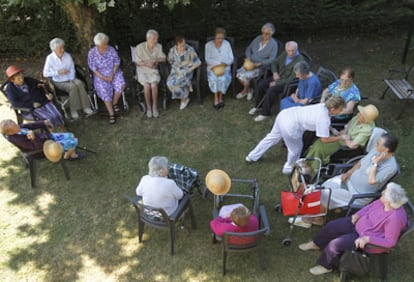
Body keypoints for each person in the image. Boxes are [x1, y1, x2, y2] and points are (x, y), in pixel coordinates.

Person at [298, 182, 408, 276]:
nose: (382, 193)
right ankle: (316, 243)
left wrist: (367, 239)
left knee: (335, 244)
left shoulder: (395, 218)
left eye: (384, 193)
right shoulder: (381, 202)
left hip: (364, 238)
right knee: (332, 226)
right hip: (357, 224)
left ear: (388, 201)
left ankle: (326, 266)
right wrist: (358, 214)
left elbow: (390, 242)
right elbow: (369, 207)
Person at [245, 96, 346, 174]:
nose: (341, 112)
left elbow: (324, 125)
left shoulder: (322, 106)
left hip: (284, 115)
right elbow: (324, 139)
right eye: (340, 109)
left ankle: (252, 156)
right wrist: (340, 137)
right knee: (296, 149)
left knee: (271, 138)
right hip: (291, 126)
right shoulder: (324, 118)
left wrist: (333, 130)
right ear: (333, 109)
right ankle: (289, 168)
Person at [322, 132, 399, 209]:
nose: (376, 145)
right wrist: (349, 172)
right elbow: (361, 162)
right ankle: (319, 209)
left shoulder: (390, 167)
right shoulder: (376, 150)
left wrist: (375, 163)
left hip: (356, 194)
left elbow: (371, 181)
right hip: (348, 180)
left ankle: (318, 218)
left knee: (325, 195)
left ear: (386, 149)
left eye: (378, 144)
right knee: (323, 187)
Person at [306, 104, 379, 165]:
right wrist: (344, 131)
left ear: (366, 119)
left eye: (361, 114)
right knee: (318, 143)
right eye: (360, 112)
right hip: (341, 138)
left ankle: (311, 169)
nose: (358, 114)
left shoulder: (366, 131)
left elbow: (353, 145)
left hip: (345, 147)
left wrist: (344, 138)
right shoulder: (358, 118)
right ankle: (307, 162)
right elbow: (349, 124)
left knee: (319, 148)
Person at [249, 41, 305, 119]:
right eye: (289, 51)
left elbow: (292, 78)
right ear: (286, 50)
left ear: (296, 50)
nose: (291, 53)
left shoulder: (300, 61)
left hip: (287, 83)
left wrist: (277, 82)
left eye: (293, 51)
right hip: (278, 76)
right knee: (261, 84)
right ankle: (258, 106)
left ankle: (265, 113)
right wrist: (275, 72)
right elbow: (274, 62)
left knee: (271, 90)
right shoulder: (284, 54)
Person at [43, 38, 93, 120]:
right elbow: (45, 73)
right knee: (72, 87)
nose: (62, 50)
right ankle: (74, 110)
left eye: (63, 47)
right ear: (54, 49)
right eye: (60, 48)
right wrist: (58, 72)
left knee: (80, 84)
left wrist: (71, 79)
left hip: (71, 78)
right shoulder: (50, 59)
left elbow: (72, 69)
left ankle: (86, 107)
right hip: (59, 81)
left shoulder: (67, 55)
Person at [5, 65, 65, 131]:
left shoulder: (28, 80)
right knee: (49, 118)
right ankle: (52, 135)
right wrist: (32, 104)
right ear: (12, 80)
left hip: (42, 102)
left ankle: (64, 130)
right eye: (18, 79)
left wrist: (48, 93)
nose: (22, 79)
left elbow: (43, 85)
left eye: (21, 76)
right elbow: (15, 103)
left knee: (57, 114)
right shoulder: (10, 89)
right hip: (30, 110)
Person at [88, 32, 126, 124]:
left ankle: (114, 103)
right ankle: (111, 113)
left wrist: (112, 74)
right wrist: (103, 77)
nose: (106, 46)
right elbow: (93, 68)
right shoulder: (92, 53)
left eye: (106, 43)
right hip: (100, 75)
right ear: (97, 45)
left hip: (113, 71)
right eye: (103, 44)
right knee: (103, 90)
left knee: (121, 84)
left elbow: (117, 62)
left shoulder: (111, 49)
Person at [0, 119, 84, 160]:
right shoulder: (17, 139)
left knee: (70, 135)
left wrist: (43, 122)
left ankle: (70, 154)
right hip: (42, 149)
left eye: (16, 124)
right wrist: (34, 138)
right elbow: (35, 147)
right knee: (72, 142)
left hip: (46, 138)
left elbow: (31, 125)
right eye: (15, 127)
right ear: (11, 133)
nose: (18, 126)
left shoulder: (19, 128)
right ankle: (70, 155)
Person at [236, 23, 278, 101]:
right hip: (250, 63)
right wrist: (248, 58)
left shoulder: (273, 44)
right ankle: (249, 90)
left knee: (245, 76)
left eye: (267, 34)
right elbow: (249, 48)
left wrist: (261, 63)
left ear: (271, 34)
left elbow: (272, 59)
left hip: (260, 66)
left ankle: (244, 91)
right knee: (238, 74)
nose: (264, 35)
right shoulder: (258, 38)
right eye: (263, 33)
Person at [135, 30, 166, 118]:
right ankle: (148, 107)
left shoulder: (158, 46)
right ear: (148, 39)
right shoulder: (139, 47)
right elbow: (137, 62)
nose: (156, 41)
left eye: (156, 39)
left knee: (154, 85)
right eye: (154, 39)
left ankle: (154, 106)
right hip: (143, 70)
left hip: (153, 70)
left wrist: (156, 60)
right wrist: (146, 64)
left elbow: (163, 58)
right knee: (146, 85)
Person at [167, 35, 201, 110]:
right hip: (176, 71)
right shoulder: (172, 51)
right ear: (176, 45)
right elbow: (170, 61)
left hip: (187, 71)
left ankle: (184, 100)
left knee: (180, 79)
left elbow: (198, 62)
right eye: (181, 46)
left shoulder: (189, 49)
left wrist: (190, 69)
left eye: (184, 44)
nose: (183, 47)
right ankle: (186, 93)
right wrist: (177, 69)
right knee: (169, 83)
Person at [205, 27, 234, 109]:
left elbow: (231, 58)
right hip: (213, 68)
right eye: (218, 38)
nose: (220, 40)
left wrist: (224, 64)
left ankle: (220, 97)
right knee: (214, 79)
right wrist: (218, 64)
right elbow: (207, 59)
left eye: (222, 38)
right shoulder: (208, 45)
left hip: (224, 68)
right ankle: (215, 98)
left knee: (223, 78)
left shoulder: (227, 44)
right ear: (214, 36)